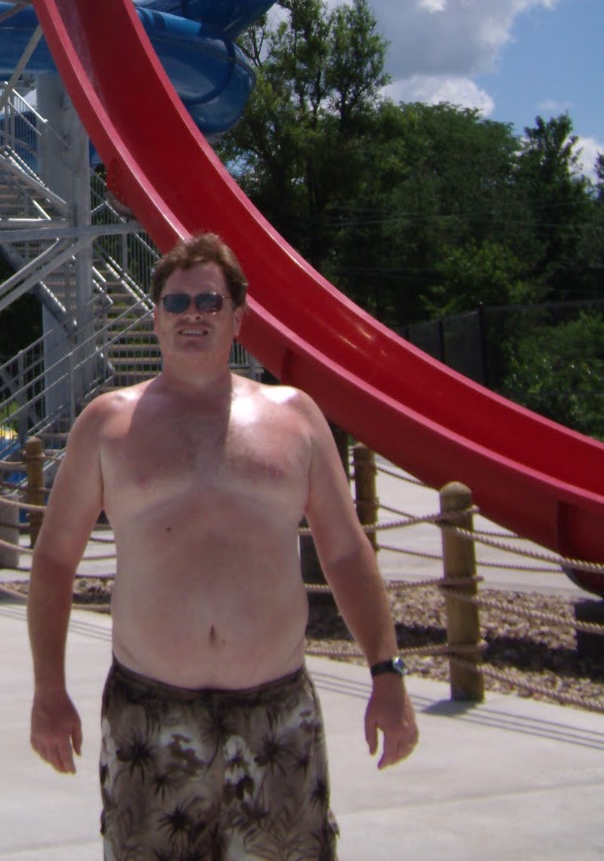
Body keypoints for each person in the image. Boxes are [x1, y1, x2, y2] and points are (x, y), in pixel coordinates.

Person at [27, 231, 417, 860]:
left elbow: (346, 552)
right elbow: (52, 562)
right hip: (148, 716)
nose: (193, 315)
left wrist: (386, 672)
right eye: (177, 303)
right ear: (156, 317)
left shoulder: (296, 418)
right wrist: (49, 691)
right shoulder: (106, 425)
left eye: (209, 301)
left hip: (277, 715)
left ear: (238, 318)